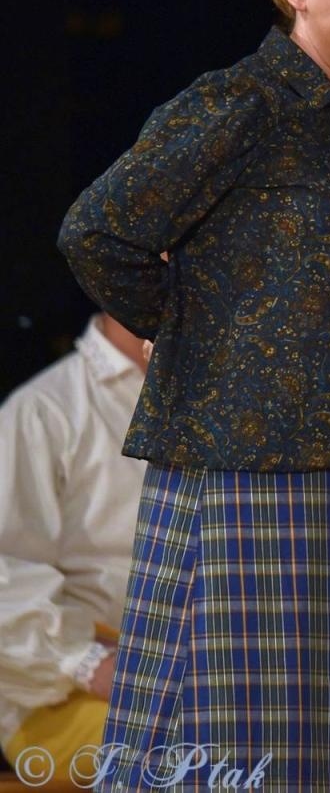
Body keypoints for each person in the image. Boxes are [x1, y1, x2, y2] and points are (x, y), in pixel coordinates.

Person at [57, 0, 330, 790]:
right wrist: (199, 334)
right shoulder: (240, 102)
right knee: (233, 739)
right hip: (245, 467)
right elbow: (97, 229)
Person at [0, 314, 145, 786]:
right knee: (205, 752)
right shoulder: (44, 409)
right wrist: (90, 662)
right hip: (61, 698)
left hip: (205, 684)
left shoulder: (225, 397)